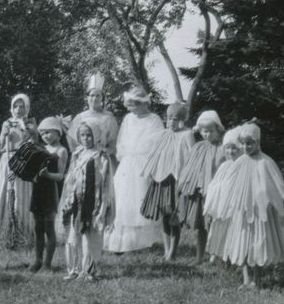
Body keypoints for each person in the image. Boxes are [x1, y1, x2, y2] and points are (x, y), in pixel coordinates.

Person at [212, 123, 284, 289]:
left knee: (258, 243)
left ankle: (256, 280)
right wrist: (225, 206)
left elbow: (277, 184)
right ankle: (245, 279)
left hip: (259, 212)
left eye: (249, 143)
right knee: (240, 243)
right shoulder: (239, 162)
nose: (245, 147)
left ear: (258, 142)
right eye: (242, 143)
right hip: (240, 211)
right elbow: (229, 185)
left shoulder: (265, 162)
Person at [105, 85, 164, 253]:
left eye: (134, 104)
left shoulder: (154, 120)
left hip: (143, 164)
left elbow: (157, 143)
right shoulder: (128, 119)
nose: (131, 108)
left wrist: (150, 163)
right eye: (129, 104)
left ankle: (139, 241)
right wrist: (124, 156)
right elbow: (122, 141)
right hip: (128, 163)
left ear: (143, 103)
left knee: (139, 199)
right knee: (122, 199)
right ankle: (120, 240)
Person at [59, 119, 115, 281]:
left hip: (93, 201)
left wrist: (103, 205)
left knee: (90, 237)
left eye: (89, 135)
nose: (86, 139)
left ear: (96, 136)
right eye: (82, 135)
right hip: (76, 199)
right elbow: (71, 177)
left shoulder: (101, 156)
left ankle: (88, 270)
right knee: (73, 235)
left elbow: (106, 183)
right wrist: (69, 197)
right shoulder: (77, 154)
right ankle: (73, 269)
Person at [140, 102, 195, 261]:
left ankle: (173, 252)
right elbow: (155, 154)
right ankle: (166, 251)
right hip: (161, 179)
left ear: (183, 120)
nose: (172, 122)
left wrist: (188, 179)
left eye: (176, 119)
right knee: (164, 215)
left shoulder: (187, 134)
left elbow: (191, 157)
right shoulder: (163, 134)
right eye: (169, 118)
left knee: (174, 216)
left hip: (176, 179)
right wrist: (151, 173)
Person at [175, 110, 226, 264]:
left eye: (211, 131)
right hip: (199, 191)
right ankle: (199, 256)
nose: (207, 134)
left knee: (216, 225)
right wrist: (186, 186)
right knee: (202, 226)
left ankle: (217, 255)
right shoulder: (198, 148)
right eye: (205, 131)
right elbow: (189, 168)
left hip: (216, 192)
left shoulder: (223, 148)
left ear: (218, 130)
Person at [0, 93, 37, 249]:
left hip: (23, 159)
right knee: (5, 194)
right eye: (15, 106)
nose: (18, 109)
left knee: (20, 196)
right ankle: (3, 232)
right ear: (11, 108)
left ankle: (22, 233)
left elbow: (34, 144)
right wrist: (4, 134)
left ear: (26, 108)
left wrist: (25, 130)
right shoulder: (6, 123)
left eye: (22, 106)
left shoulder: (31, 123)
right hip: (7, 159)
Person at [29, 116, 69, 272]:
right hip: (37, 189)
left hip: (50, 190)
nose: (45, 136)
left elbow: (60, 175)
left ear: (58, 133)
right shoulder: (40, 148)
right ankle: (37, 260)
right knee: (38, 228)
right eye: (43, 133)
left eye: (49, 132)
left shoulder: (61, 150)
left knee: (48, 227)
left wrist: (46, 175)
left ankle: (47, 263)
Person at [204, 126, 243, 263]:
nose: (230, 151)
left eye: (234, 148)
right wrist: (212, 203)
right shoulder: (224, 166)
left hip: (234, 204)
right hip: (221, 203)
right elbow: (214, 185)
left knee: (231, 229)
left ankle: (229, 255)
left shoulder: (242, 166)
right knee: (218, 227)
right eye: (228, 148)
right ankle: (215, 253)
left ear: (241, 149)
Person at [67, 72, 119, 163]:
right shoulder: (80, 117)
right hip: (84, 156)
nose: (94, 98)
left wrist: (106, 151)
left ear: (102, 98)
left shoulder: (108, 117)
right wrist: (81, 151)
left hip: (103, 157)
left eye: (98, 95)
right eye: (92, 95)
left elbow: (114, 141)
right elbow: (72, 140)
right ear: (87, 98)